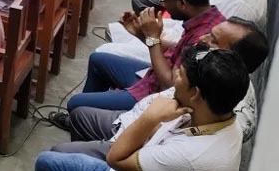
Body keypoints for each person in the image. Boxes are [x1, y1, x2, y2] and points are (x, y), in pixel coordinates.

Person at [46, 17, 267, 162]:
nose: (203, 39)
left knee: (54, 156)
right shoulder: (209, 72)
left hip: (139, 136)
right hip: (135, 118)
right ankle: (86, 153)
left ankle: (83, 157)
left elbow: (168, 85)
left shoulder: (216, 109)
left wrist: (150, 118)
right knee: (80, 113)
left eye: (214, 40)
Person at [37, 47, 250, 171]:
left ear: (195, 93)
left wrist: (150, 118)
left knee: (48, 160)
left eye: (179, 76)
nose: (174, 80)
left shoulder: (189, 156)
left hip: (126, 155)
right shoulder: (218, 111)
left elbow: (115, 159)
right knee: (80, 116)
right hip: (140, 145)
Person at [67, 0, 225, 113]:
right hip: (153, 77)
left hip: (156, 95)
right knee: (98, 60)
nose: (163, 6)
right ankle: (93, 115)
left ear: (182, 3)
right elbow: (175, 49)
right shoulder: (208, 18)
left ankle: (98, 124)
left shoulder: (203, 38)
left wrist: (152, 37)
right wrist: (140, 33)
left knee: (76, 104)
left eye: (164, 1)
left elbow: (170, 86)